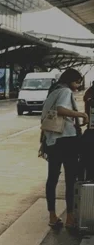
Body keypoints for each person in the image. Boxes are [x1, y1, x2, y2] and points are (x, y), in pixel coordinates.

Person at [41, 68, 88, 229]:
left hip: (52, 141)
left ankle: (52, 216)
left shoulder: (53, 91)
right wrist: (82, 115)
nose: (78, 85)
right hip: (67, 140)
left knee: (52, 178)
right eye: (77, 81)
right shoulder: (65, 91)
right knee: (70, 179)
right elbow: (61, 109)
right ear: (70, 80)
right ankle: (69, 217)